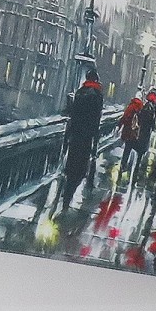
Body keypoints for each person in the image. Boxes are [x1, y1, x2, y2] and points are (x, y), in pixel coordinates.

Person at [56, 69, 105, 212]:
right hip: (87, 135)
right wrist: (95, 139)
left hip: (75, 133)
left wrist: (68, 136)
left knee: (72, 163)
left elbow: (73, 114)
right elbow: (96, 119)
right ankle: (70, 192)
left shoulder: (80, 92)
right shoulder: (97, 95)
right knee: (81, 167)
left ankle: (66, 193)